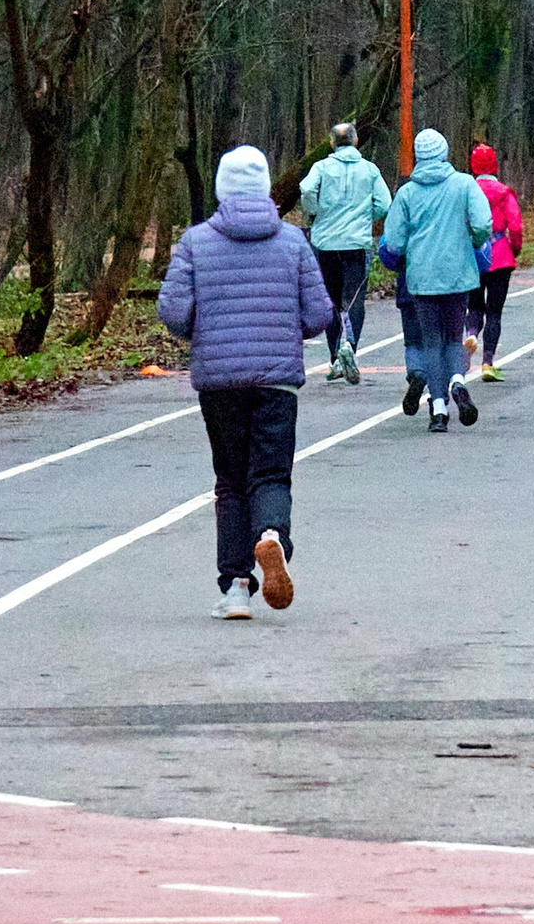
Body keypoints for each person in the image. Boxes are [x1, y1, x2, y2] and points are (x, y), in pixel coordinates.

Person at [157, 145, 335, 620]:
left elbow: (173, 311)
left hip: (219, 383)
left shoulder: (196, 242)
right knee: (271, 474)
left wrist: (204, 323)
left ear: (219, 189)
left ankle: (236, 588)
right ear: (265, 188)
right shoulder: (294, 242)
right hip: (276, 381)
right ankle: (271, 535)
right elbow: (319, 315)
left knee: (230, 482)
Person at [380, 128, 493, 432]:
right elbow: (483, 224)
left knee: (431, 341)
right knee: (454, 335)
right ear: (444, 153)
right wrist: (473, 240)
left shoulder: (406, 193)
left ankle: (438, 410)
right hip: (457, 273)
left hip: (421, 277)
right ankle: (457, 381)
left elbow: (393, 241)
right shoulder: (464, 184)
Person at [296, 122, 389, 384]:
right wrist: (366, 217)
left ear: (333, 143)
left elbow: (306, 188)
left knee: (332, 301)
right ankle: (350, 346)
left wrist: (315, 211)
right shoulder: (369, 170)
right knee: (354, 299)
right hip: (356, 243)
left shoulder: (322, 167)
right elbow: (384, 203)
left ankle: (335, 357)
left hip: (326, 243)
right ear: (356, 141)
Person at [465, 143, 525, 382]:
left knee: (475, 305)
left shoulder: (467, 191)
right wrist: (515, 248)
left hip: (473, 255)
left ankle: (470, 333)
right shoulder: (504, 192)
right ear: (495, 165)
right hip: (500, 255)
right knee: (495, 312)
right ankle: (488, 361)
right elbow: (516, 225)